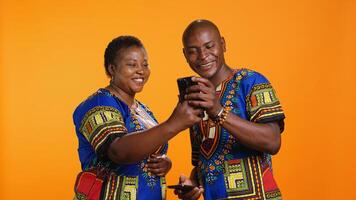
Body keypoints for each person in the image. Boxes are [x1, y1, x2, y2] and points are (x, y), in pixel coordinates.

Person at [73, 36, 202, 200]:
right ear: (112, 69)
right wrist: (173, 124)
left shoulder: (142, 109)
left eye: (145, 65)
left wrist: (164, 162)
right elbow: (117, 151)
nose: (141, 70)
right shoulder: (98, 104)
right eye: (132, 65)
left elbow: (145, 148)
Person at [174, 20, 286, 200]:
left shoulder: (251, 81)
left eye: (209, 46)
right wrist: (193, 184)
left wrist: (218, 111)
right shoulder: (195, 96)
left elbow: (272, 141)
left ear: (223, 44)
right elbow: (206, 161)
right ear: (185, 55)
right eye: (193, 51)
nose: (203, 56)